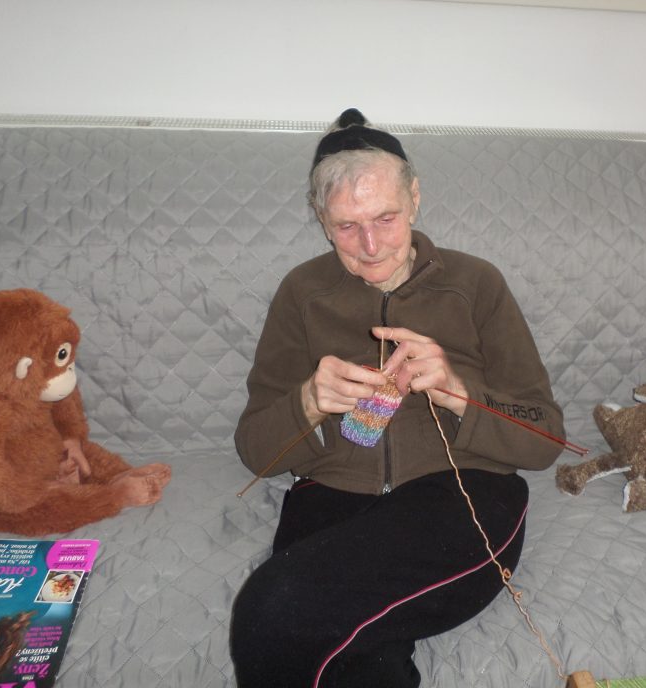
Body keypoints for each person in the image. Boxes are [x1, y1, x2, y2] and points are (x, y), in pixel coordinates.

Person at [230, 108, 564, 688]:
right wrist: (309, 400)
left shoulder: (476, 283)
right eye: (346, 226)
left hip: (462, 494)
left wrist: (458, 392)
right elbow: (256, 451)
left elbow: (545, 438)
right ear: (321, 219)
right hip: (329, 498)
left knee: (271, 609)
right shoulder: (301, 293)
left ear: (414, 199)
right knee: (359, 665)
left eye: (385, 218)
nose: (370, 246)